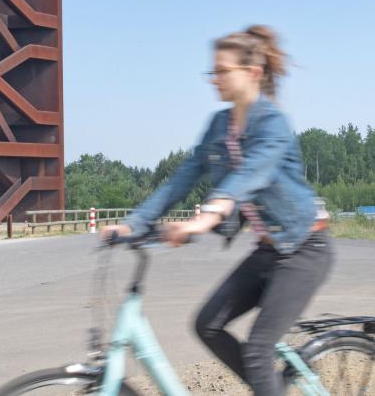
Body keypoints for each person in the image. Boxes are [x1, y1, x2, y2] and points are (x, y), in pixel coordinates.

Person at [103, 25, 333, 396]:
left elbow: (249, 174)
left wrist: (204, 218)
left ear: (252, 73)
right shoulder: (218, 126)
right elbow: (181, 179)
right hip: (269, 250)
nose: (215, 80)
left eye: (223, 71)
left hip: (305, 249)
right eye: (213, 71)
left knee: (258, 349)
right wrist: (135, 223)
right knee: (207, 325)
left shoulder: (273, 123)